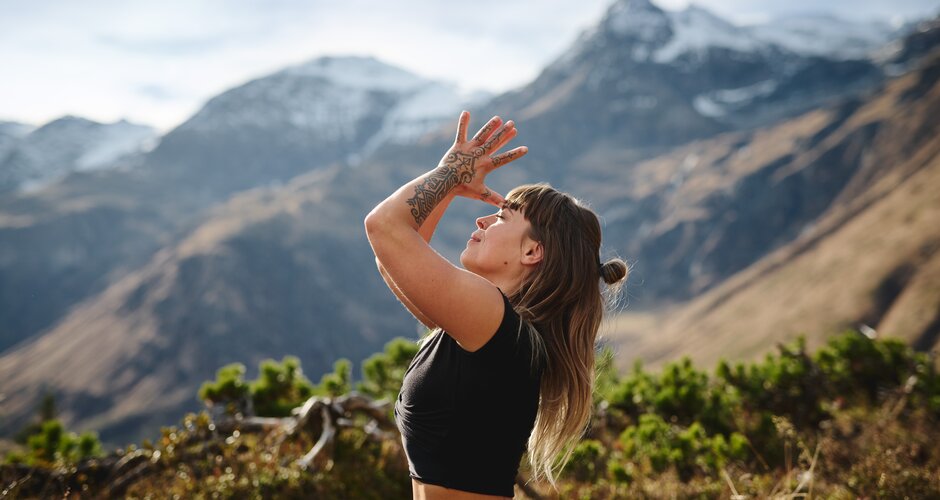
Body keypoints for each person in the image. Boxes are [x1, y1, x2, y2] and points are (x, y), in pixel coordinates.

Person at [364, 111, 628, 499]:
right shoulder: (490, 329)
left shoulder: (493, 322)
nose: (485, 219)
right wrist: (448, 182)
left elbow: (385, 227)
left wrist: (451, 174)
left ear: (532, 251)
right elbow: (392, 257)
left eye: (503, 215)